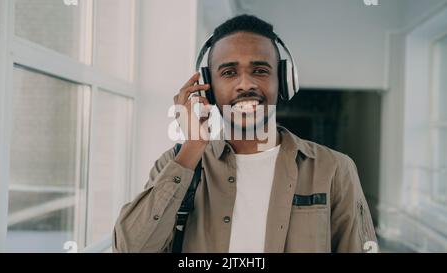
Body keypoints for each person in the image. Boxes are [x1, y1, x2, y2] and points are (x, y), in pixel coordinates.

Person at [113, 14, 377, 253]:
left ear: (283, 81)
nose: (246, 84)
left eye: (260, 71)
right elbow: (129, 249)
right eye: (229, 72)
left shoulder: (334, 169)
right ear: (207, 89)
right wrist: (193, 146)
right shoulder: (177, 164)